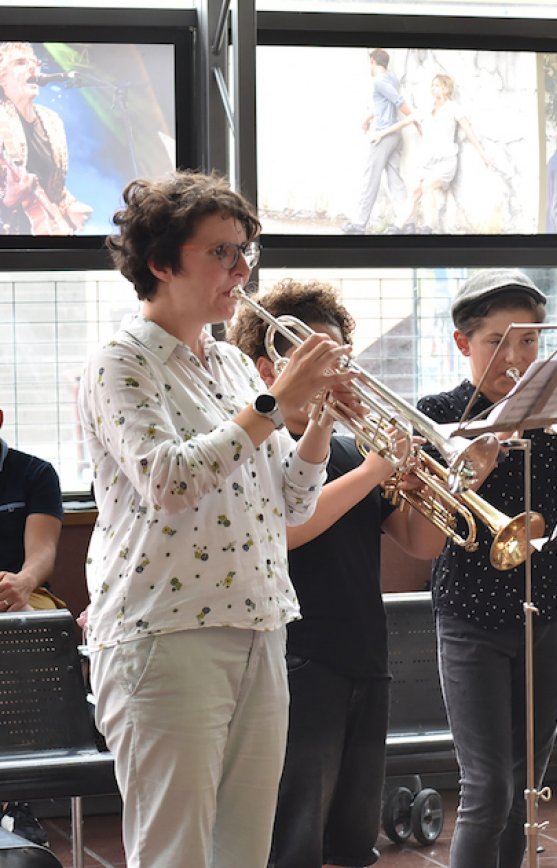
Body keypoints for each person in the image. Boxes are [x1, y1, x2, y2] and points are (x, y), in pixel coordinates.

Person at [79, 171, 353, 868]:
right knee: (176, 853)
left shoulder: (231, 361)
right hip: (164, 632)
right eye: (222, 253)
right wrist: (271, 405)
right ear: (162, 263)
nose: (242, 270)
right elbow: (170, 479)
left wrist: (316, 419)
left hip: (258, 622)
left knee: (243, 851)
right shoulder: (118, 361)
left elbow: (289, 499)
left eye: (246, 252)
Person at [228, 278, 447, 868]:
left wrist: (450, 482)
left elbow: (420, 544)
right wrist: (378, 470)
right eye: (319, 359)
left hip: (363, 656)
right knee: (292, 840)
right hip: (299, 659)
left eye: (341, 359)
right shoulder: (255, 448)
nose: (339, 374)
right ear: (265, 364)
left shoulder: (352, 454)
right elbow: (288, 526)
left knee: (352, 842)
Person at [416, 268, 557, 868]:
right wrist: (475, 461)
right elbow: (428, 525)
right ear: (463, 343)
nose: (516, 357)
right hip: (472, 615)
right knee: (488, 788)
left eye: (530, 341)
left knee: (526, 784)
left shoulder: (555, 415)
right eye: (497, 342)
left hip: (549, 605)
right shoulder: (439, 413)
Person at [0, 403, 64, 846]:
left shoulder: (35, 473)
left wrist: (22, 582)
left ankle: (17, 796)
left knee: (34, 627)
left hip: (18, 595)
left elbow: (41, 550)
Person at [375, 73, 494, 234]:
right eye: (432, 85)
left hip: (445, 163)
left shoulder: (453, 108)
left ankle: (428, 227)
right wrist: (381, 133)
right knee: (415, 191)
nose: (433, 88)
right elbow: (404, 122)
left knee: (427, 186)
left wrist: (483, 155)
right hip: (428, 162)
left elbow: (468, 131)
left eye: (437, 85)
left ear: (446, 88)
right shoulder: (427, 108)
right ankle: (396, 227)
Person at [0, 41, 91, 235]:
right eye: (20, 62)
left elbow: (53, 187)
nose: (33, 67)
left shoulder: (53, 121)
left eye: (35, 62)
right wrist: (7, 201)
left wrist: (69, 207)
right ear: (2, 78)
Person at [342, 49, 414, 235]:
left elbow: (399, 101)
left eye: (369, 63)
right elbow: (384, 104)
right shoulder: (392, 79)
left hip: (383, 135)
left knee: (370, 179)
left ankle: (358, 224)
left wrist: (414, 118)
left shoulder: (379, 82)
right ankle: (407, 222)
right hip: (395, 135)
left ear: (373, 61)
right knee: (395, 181)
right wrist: (367, 119)